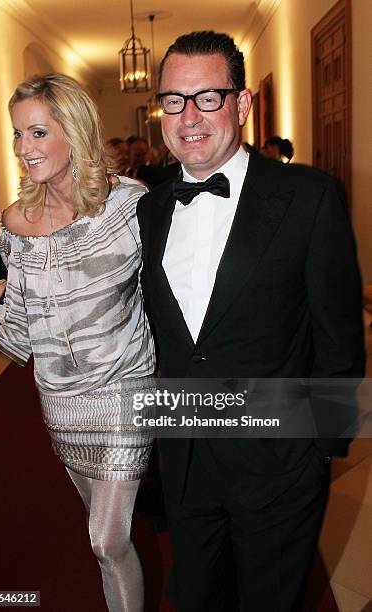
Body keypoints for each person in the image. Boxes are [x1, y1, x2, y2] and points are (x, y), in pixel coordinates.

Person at [137, 31, 365, 611]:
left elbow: (338, 336)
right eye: (173, 100)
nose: (188, 116)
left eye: (207, 97)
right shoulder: (150, 209)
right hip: (185, 458)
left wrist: (319, 450)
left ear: (241, 105)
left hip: (279, 462)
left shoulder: (309, 198)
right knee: (196, 597)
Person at [0, 73, 155, 612]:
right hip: (60, 402)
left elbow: (168, 296)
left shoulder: (128, 206)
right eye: (17, 135)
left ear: (74, 130)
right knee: (102, 541)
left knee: (106, 538)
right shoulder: (15, 223)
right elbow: (17, 336)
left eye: (37, 133)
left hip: (126, 389)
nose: (22, 148)